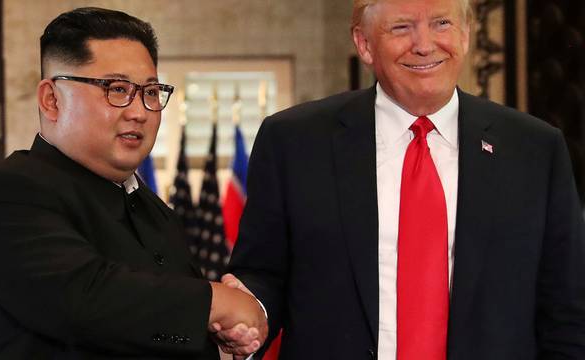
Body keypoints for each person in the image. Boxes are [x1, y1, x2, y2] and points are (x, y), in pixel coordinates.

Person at [221, 0, 585, 359]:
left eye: (442, 23)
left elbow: (567, 311)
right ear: (364, 44)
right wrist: (249, 319)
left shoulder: (535, 150)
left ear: (467, 35)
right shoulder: (294, 142)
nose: (425, 44)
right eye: (401, 27)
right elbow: (263, 275)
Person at [0, 7, 265, 359]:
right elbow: (85, 300)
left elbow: (163, 325)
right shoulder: (3, 194)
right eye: (116, 88)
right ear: (51, 99)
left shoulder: (155, 211)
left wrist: (224, 333)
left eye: (150, 92)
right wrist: (216, 302)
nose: (139, 111)